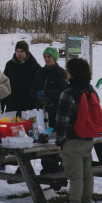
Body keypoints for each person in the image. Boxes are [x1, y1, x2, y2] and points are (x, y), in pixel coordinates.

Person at [55, 57, 97, 203]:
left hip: (72, 140)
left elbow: (61, 120)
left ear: (72, 73)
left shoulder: (68, 93)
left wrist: (59, 140)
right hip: (88, 138)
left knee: (75, 175)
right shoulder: (91, 90)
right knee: (87, 173)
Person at [30, 46, 67, 174]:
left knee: (53, 142)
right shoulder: (40, 72)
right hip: (41, 112)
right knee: (42, 140)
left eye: (49, 57)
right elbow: (33, 88)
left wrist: (47, 93)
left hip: (55, 113)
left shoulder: (61, 73)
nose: (47, 59)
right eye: (45, 57)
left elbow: (63, 92)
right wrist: (37, 95)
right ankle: (46, 168)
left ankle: (55, 170)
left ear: (54, 58)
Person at [2, 40, 40, 116]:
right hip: (11, 107)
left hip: (28, 109)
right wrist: (2, 104)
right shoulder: (9, 65)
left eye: (21, 51)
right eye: (17, 51)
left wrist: (37, 106)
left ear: (26, 52)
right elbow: (4, 85)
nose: (19, 54)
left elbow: (38, 87)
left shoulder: (35, 67)